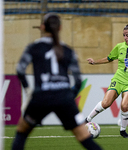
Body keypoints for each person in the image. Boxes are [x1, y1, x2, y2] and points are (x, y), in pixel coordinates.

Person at [11, 13, 102, 150]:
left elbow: (20, 69)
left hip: (41, 97)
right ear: (60, 28)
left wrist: (28, 90)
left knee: (21, 133)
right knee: (85, 139)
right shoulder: (68, 50)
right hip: (64, 98)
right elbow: (78, 80)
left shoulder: (33, 47)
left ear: (42, 27)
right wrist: (69, 97)